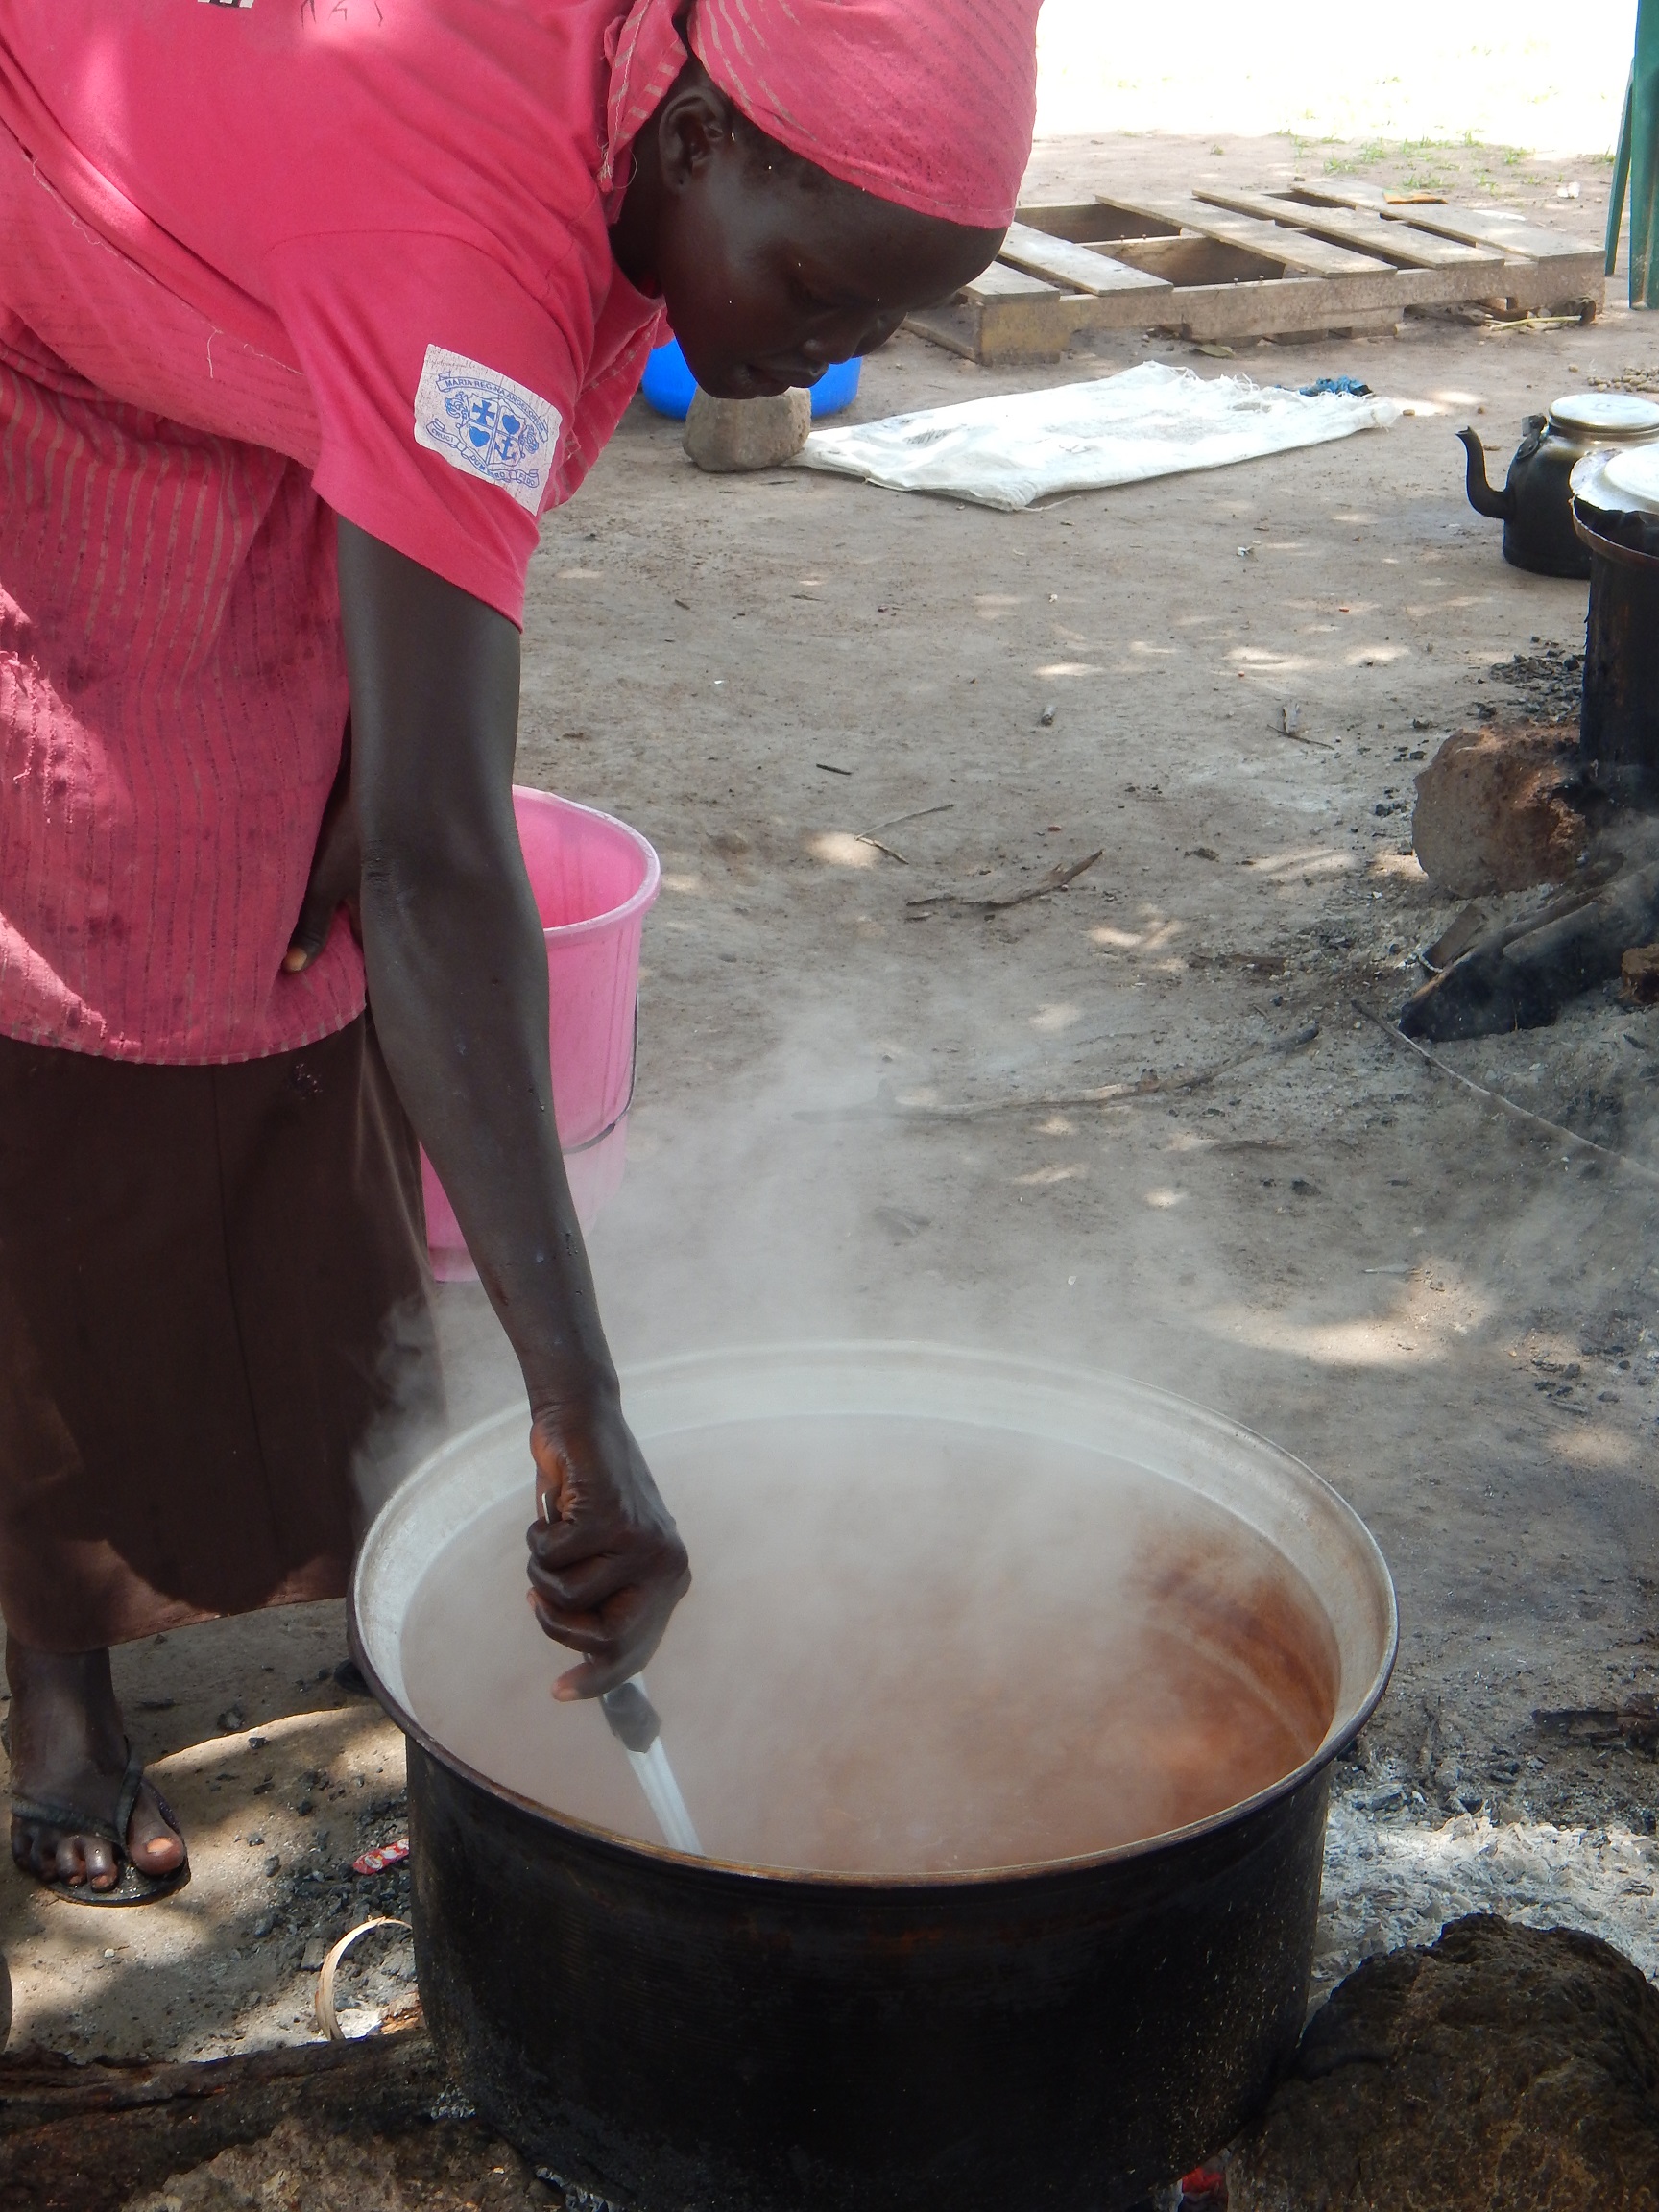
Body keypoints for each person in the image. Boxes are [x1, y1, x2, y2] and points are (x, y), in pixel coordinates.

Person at [0, 0, 1039, 1898]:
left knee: (298, 933)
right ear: (704, 141)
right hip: (45, 329)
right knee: (84, 990)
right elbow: (438, 867)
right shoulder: (456, 258)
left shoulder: (629, 124)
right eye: (819, 283)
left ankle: (358, 1546)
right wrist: (586, 1407)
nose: (835, 349)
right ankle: (53, 1677)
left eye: (884, 316)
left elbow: (413, 843)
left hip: (281, 332)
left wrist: (396, 815)